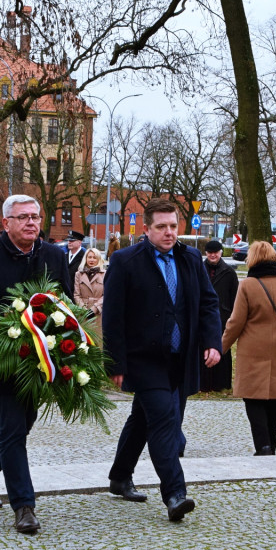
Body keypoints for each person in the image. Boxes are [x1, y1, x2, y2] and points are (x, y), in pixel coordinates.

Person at [0, 195, 72, 535]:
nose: (31, 223)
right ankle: (24, 505)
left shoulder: (53, 255)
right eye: (23, 218)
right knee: (13, 428)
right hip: (1, 357)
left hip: (41, 357)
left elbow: (65, 299)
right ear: (6, 223)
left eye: (35, 216)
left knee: (25, 419)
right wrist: (10, 318)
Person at [102, 198, 222, 521]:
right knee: (164, 421)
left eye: (173, 226)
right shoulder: (126, 261)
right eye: (161, 227)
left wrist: (212, 342)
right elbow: (112, 317)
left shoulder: (191, 258)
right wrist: (114, 363)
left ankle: (119, 476)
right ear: (146, 229)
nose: (169, 233)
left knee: (143, 418)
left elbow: (209, 303)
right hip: (144, 359)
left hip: (179, 359)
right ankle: (174, 494)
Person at [220, 242, 276, 455]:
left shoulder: (248, 285)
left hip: (252, 350)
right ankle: (271, 444)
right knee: (275, 398)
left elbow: (236, 322)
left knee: (252, 398)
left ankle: (263, 445)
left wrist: (220, 348)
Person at [201, 239, 237, 392]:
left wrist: (231, 315)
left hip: (223, 316)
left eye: (215, 252)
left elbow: (235, 297)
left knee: (222, 349)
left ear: (221, 253)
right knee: (203, 349)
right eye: (210, 253)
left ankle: (221, 383)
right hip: (202, 316)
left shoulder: (229, 272)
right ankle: (203, 383)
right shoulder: (200, 269)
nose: (212, 255)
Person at [74, 247, 105, 316]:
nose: (92, 260)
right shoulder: (78, 274)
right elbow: (76, 295)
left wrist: (94, 309)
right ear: (86, 258)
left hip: (98, 312)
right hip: (83, 313)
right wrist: (83, 309)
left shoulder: (104, 274)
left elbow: (106, 295)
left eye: (94, 257)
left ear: (98, 259)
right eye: (89, 257)